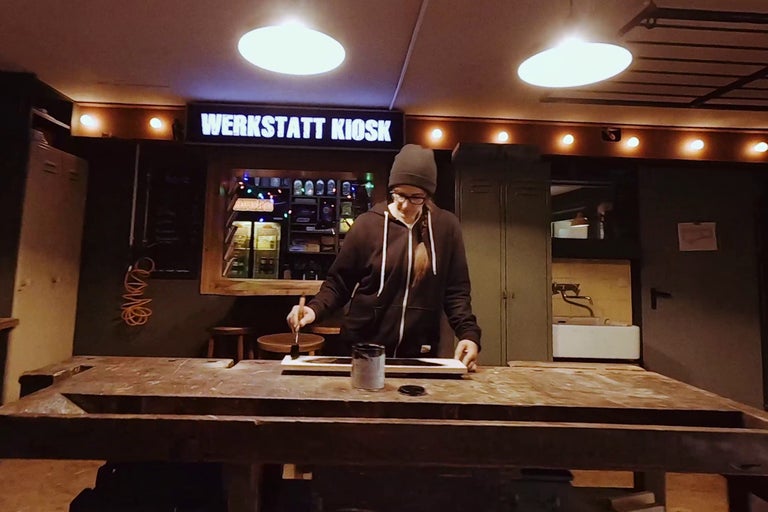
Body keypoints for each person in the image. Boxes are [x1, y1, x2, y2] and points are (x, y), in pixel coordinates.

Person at [286, 144, 481, 370]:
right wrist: (313, 309)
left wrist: (468, 334)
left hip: (419, 352)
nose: (406, 205)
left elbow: (456, 292)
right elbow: (339, 284)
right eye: (400, 195)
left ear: (428, 195)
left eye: (416, 197)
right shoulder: (367, 225)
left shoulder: (446, 228)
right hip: (362, 350)